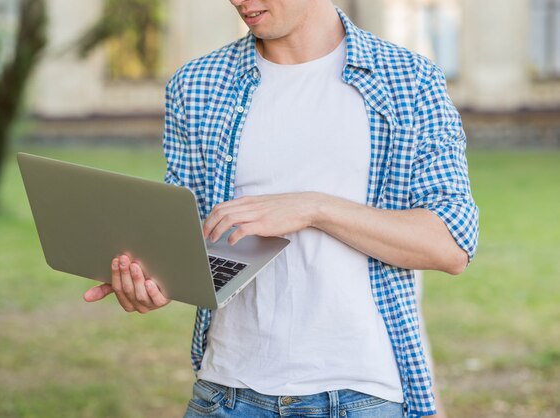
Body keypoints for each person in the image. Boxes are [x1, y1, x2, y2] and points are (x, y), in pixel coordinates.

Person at [84, 1, 479, 417]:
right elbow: (186, 239)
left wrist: (314, 208)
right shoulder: (196, 85)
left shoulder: (408, 79)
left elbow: (450, 245)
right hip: (227, 391)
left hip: (361, 394)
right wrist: (150, 279)